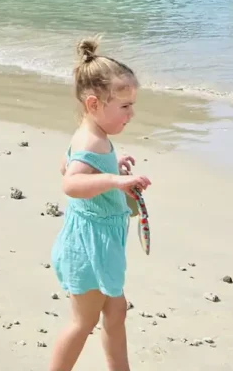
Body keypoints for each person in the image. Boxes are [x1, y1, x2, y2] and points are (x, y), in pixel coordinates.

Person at [49, 38, 150, 371]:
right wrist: (115, 181)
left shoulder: (92, 135)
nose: (131, 114)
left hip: (101, 242)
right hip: (89, 246)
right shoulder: (90, 139)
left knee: (116, 311)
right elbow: (71, 182)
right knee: (82, 322)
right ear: (93, 104)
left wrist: (112, 167)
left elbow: (70, 165)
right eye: (124, 107)